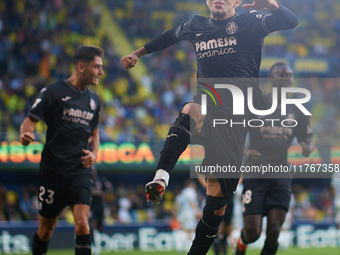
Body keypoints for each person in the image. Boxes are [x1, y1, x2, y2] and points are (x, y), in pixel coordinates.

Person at [121, 1, 298, 254]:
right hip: (208, 104)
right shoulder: (197, 25)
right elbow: (169, 36)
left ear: (236, 1)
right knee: (191, 110)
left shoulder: (251, 21)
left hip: (236, 118)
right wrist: (138, 53)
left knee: (217, 206)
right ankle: (161, 177)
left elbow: (290, 21)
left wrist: (271, 5)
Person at [19, 45, 103, 255]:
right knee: (46, 229)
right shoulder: (53, 92)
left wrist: (94, 154)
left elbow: (95, 134)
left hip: (80, 170)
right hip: (53, 171)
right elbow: (29, 121)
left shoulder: (94, 100)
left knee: (83, 223)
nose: (101, 72)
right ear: (82, 67)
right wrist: (25, 133)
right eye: (97, 67)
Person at [234, 62, 314, 255]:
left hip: (281, 175)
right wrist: (244, 151)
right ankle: (240, 247)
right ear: (272, 78)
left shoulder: (299, 111)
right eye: (282, 73)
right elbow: (234, 132)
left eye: (290, 73)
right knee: (253, 232)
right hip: (255, 174)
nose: (288, 76)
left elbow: (308, 140)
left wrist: (307, 148)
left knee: (274, 231)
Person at [172, 180, 202, 252]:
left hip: (181, 214)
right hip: (189, 214)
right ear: (192, 186)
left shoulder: (181, 194)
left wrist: (175, 216)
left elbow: (177, 206)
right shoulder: (191, 192)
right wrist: (197, 212)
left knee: (183, 230)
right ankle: (190, 245)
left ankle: (181, 246)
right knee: (191, 229)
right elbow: (192, 202)